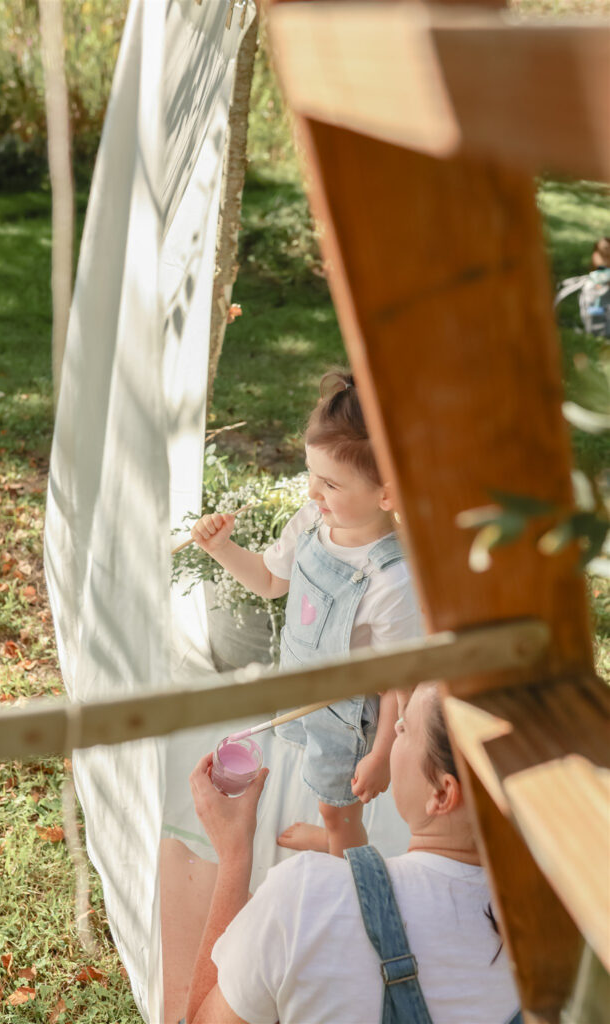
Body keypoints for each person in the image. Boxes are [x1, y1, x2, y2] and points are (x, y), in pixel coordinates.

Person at [184, 684, 522, 1024]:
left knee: (181, 864)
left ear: (442, 793)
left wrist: (235, 855)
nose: (394, 730)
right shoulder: (556, 924)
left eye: (404, 728)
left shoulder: (303, 895)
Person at [190, 370, 421, 857]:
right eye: (311, 474)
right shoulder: (314, 520)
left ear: (388, 494)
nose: (313, 492)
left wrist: (382, 754)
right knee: (325, 799)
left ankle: (344, 858)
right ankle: (333, 832)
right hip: (305, 688)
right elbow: (271, 583)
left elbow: (402, 681)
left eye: (330, 483)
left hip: (350, 717)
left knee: (339, 808)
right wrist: (221, 548)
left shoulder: (392, 581)